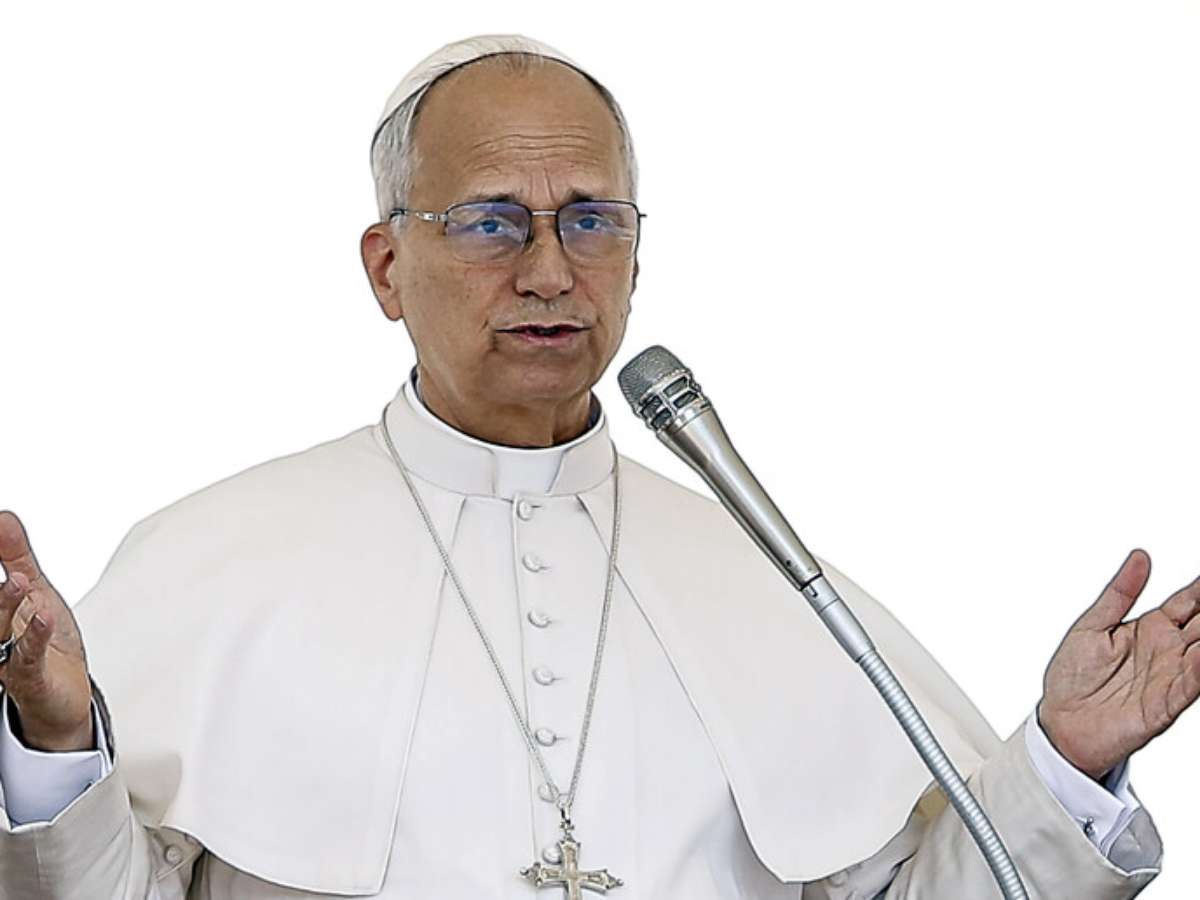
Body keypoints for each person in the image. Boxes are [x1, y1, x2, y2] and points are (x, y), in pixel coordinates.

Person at [0, 33, 1186, 899]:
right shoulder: (216, 556)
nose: (550, 272)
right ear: (385, 268)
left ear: (635, 258)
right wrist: (54, 751)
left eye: (592, 219)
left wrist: (1062, 766)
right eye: (489, 220)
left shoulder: (760, 575)